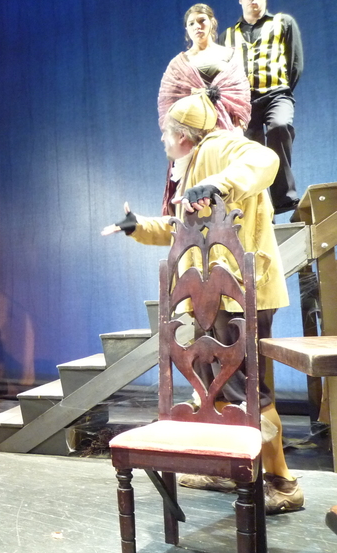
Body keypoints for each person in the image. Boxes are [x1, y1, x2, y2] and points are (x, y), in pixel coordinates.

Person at [102, 91, 304, 514]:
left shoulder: (218, 146)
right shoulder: (194, 167)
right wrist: (138, 226)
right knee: (218, 387)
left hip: (236, 294)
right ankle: (230, 468)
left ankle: (282, 482)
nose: (162, 141)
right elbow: (182, 228)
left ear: (183, 136)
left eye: (165, 133)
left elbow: (265, 160)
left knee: (247, 391)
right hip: (213, 294)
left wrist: (218, 183)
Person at [157, 3, 251, 215]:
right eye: (191, 23)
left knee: (223, 173)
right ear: (187, 29)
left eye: (201, 21)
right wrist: (173, 133)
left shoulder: (229, 55)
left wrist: (239, 126)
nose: (197, 26)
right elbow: (168, 102)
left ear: (212, 22)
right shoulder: (179, 63)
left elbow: (240, 92)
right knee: (191, 173)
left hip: (223, 126)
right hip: (192, 129)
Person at [219, 0, 303, 214]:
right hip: (245, 103)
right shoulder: (227, 36)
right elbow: (224, 73)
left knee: (279, 126)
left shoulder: (283, 23)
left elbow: (295, 63)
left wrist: (282, 87)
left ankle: (283, 198)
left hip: (277, 93)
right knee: (250, 151)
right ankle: (262, 211)